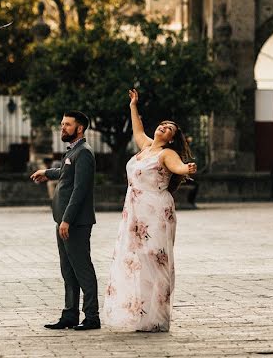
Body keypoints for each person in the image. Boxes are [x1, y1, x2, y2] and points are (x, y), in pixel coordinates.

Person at [100, 89, 197, 332]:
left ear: (172, 138)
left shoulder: (167, 153)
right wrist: (133, 105)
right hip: (134, 211)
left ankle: (156, 317)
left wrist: (186, 169)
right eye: (162, 125)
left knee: (154, 258)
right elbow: (137, 129)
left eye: (169, 129)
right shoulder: (146, 147)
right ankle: (138, 313)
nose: (163, 128)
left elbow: (178, 167)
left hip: (155, 211)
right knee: (136, 260)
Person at [30, 111, 100, 331]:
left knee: (82, 269)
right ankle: (69, 315)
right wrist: (47, 172)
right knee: (67, 270)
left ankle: (91, 317)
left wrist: (67, 220)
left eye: (67, 125)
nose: (62, 128)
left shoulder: (85, 153)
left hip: (75, 223)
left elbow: (79, 190)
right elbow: (66, 171)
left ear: (79, 128)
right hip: (63, 221)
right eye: (62, 124)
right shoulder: (74, 151)